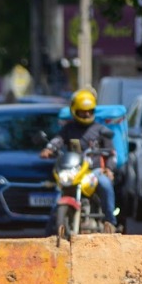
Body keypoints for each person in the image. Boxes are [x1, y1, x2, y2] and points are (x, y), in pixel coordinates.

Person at [39, 88, 118, 228]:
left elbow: (112, 153)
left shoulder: (101, 130)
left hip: (94, 172)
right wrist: (49, 149)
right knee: (56, 201)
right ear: (75, 111)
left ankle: (110, 221)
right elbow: (58, 140)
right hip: (74, 172)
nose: (87, 114)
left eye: (90, 111)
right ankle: (50, 236)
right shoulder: (68, 129)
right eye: (83, 111)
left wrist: (109, 169)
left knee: (105, 184)